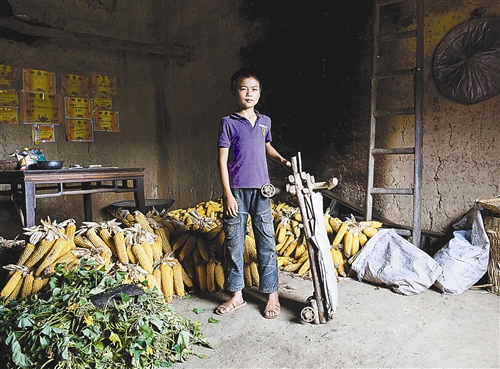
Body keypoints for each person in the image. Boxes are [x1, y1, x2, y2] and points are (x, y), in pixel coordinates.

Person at [216, 68, 288, 319]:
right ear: (235, 92)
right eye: (244, 88)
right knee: (235, 243)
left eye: (254, 89)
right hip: (237, 191)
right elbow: (222, 161)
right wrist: (227, 194)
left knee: (266, 242)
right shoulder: (228, 123)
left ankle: (272, 295)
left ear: (260, 93)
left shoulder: (265, 121)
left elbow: (266, 145)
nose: (249, 93)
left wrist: (280, 158)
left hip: (262, 191)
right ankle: (237, 296)